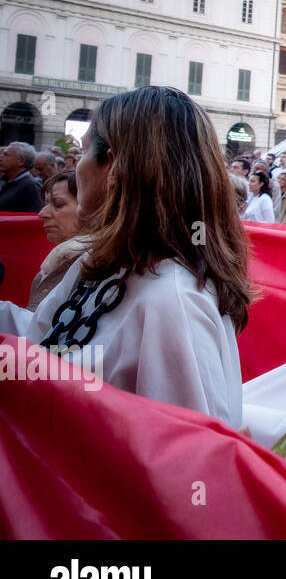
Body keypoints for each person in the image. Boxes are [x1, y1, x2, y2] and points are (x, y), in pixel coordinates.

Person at [0, 86, 249, 425]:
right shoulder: (98, 264)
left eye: (84, 151)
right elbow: (45, 336)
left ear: (114, 166)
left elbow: (185, 456)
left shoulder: (171, 302)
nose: (77, 169)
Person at [29, 172, 91, 308]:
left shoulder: (90, 266)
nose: (42, 214)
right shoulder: (62, 257)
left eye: (57, 204)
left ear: (92, 208)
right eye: (45, 204)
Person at [0, 142, 44, 213]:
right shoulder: (5, 182)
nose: (0, 158)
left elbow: (35, 218)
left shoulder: (31, 186)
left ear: (21, 161)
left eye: (6, 155)